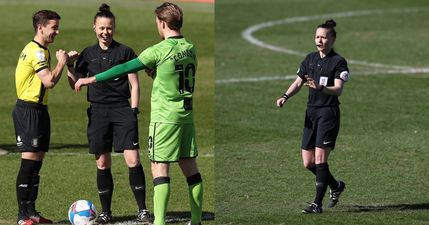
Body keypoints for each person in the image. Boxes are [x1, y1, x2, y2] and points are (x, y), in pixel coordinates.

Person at [74, 2, 204, 225]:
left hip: (165, 119)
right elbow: (169, 74)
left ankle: (159, 222)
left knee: (159, 169)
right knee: (191, 169)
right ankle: (196, 220)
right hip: (186, 117)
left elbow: (123, 68)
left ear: (162, 23)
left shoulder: (158, 50)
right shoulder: (190, 47)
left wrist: (91, 78)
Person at [66, 3, 151, 224]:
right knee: (102, 163)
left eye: (110, 28)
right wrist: (69, 66)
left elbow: (134, 84)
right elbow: (75, 84)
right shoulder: (88, 53)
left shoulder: (125, 52)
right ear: (94, 28)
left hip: (122, 110)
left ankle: (142, 210)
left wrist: (133, 109)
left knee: (133, 159)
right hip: (98, 112)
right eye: (102, 28)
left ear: (114, 28)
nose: (106, 32)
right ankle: (105, 212)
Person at [276, 19, 349, 214]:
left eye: (324, 37)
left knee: (320, 158)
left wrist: (321, 87)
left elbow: (338, 90)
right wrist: (285, 96)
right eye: (317, 37)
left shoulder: (338, 62)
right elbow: (298, 82)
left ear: (332, 39)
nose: (320, 40)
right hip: (311, 113)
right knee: (308, 162)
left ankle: (317, 204)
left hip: (328, 113)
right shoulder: (309, 59)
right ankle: (336, 185)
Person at [13, 10, 69, 225]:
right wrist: (62, 62)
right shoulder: (36, 52)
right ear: (41, 27)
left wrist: (63, 62)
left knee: (36, 164)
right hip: (28, 111)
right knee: (28, 163)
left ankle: (32, 212)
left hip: (39, 110)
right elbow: (49, 82)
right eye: (54, 27)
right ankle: (22, 216)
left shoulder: (41, 50)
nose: (57, 31)